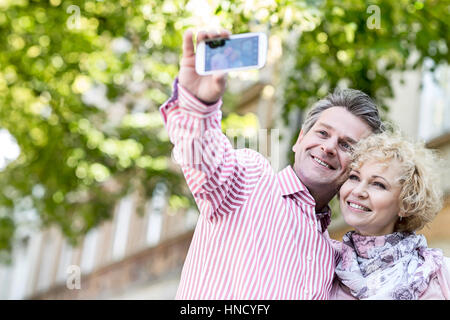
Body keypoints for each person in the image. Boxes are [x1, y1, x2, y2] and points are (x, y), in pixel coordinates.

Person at [159, 29, 383, 299]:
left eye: (347, 145)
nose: (328, 147)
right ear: (300, 139)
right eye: (322, 133)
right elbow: (200, 155)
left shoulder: (335, 260)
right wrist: (198, 105)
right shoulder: (249, 180)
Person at [330, 131, 450, 300]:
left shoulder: (439, 273)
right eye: (354, 177)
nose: (358, 191)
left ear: (406, 204)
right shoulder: (324, 265)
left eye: (378, 184)